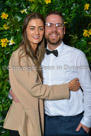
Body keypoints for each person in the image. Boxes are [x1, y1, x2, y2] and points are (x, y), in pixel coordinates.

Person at [3, 12, 80, 136]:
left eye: (40, 28)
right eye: (32, 28)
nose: (37, 33)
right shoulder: (21, 56)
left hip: (34, 116)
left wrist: (14, 90)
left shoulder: (38, 54)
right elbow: (36, 89)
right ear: (25, 31)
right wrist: (67, 88)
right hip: (23, 119)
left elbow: (23, 82)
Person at [43, 11, 91, 136]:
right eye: (49, 24)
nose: (54, 29)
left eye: (58, 25)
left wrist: (87, 121)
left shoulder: (77, 55)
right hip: (46, 124)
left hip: (73, 124)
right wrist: (13, 92)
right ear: (43, 30)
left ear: (64, 30)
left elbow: (88, 89)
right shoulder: (36, 57)